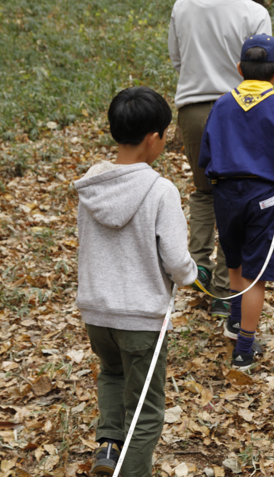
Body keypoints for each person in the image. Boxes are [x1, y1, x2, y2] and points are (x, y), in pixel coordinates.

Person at [74, 86, 197, 477]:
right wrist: (192, 276)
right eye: (165, 134)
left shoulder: (90, 187)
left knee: (112, 373)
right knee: (147, 411)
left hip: (97, 314)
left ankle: (108, 448)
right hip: (142, 320)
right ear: (153, 138)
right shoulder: (161, 191)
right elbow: (177, 260)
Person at [168, 0, 272, 319]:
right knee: (236, 195)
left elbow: (177, 61)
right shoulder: (254, 12)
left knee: (202, 191)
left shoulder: (183, 6)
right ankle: (226, 290)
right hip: (239, 110)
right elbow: (260, 74)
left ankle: (197, 266)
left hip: (192, 110)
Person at [199, 34, 274, 370]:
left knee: (232, 259)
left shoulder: (221, 103)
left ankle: (233, 321)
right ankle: (244, 349)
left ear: (238, 68)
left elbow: (206, 154)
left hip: (225, 193)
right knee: (255, 273)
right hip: (263, 197)